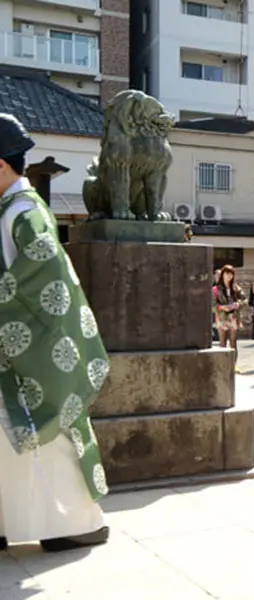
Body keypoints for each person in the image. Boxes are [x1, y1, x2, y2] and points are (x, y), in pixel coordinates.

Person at [0, 113, 111, 552]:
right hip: (23, 346)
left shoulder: (25, 212)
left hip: (34, 351)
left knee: (42, 438)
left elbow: (42, 267)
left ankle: (67, 525)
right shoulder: (14, 209)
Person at [212, 264, 245, 366]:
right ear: (222, 274)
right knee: (222, 342)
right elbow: (212, 304)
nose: (229, 276)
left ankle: (233, 365)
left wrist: (238, 304)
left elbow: (244, 299)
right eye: (227, 273)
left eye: (231, 273)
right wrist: (222, 307)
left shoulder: (236, 288)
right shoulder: (216, 289)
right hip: (221, 317)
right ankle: (223, 365)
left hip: (233, 316)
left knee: (233, 342)